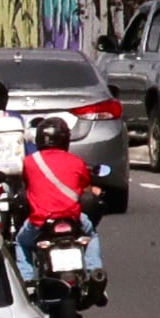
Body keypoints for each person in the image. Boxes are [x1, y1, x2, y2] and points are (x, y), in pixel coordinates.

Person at [21, 114, 104, 274]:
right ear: (65, 140)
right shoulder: (76, 161)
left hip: (41, 221)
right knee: (91, 235)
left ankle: (27, 280)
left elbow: (26, 184)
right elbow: (85, 187)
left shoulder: (30, 162)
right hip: (72, 218)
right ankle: (95, 273)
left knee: (21, 242)